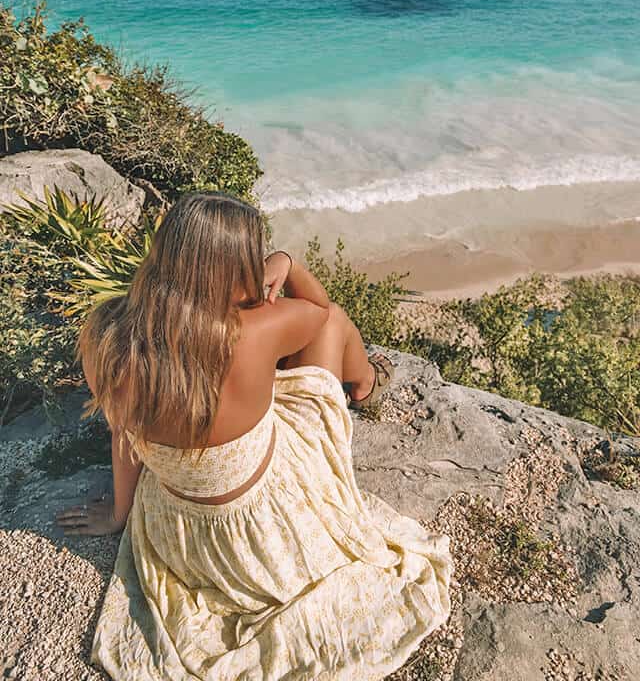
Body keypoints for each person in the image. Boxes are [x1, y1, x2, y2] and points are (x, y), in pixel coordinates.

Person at [56, 191, 453, 680]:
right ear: (234, 270)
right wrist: (285, 262)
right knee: (337, 325)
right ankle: (367, 383)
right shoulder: (250, 330)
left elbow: (122, 433)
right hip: (264, 521)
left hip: (183, 527)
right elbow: (321, 311)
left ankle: (367, 381)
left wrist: (120, 514)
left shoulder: (108, 333)